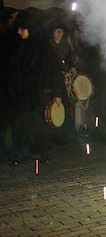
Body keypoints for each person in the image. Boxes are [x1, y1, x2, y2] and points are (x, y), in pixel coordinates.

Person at [7, 12, 66, 162]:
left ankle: (41, 153)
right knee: (20, 125)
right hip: (21, 93)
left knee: (38, 126)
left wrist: (57, 94)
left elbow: (54, 72)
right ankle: (21, 152)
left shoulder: (44, 48)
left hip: (39, 95)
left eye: (22, 29)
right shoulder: (19, 45)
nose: (19, 32)